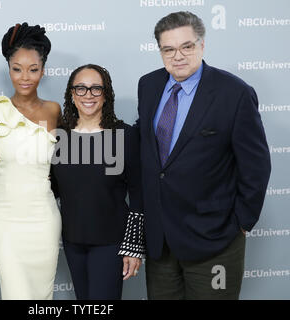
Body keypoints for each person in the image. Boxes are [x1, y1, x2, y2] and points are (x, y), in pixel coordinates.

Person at [135, 11, 271, 299]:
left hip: (214, 240)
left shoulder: (233, 93)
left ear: (202, 45)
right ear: (159, 51)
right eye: (168, 49)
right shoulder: (148, 85)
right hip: (160, 242)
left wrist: (241, 222)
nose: (178, 56)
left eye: (187, 46)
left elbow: (255, 166)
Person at [0, 23, 62, 300]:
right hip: (6, 219)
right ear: (8, 68)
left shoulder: (54, 111)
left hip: (43, 219)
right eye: (17, 68)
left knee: (42, 296)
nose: (25, 77)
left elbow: (65, 164)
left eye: (33, 69)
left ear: (43, 69)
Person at [50, 64, 145, 300]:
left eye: (96, 89)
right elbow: (50, 188)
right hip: (72, 241)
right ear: (71, 95)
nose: (88, 95)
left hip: (111, 243)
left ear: (106, 94)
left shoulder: (125, 136)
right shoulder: (59, 137)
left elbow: (139, 193)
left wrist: (133, 245)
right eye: (81, 89)